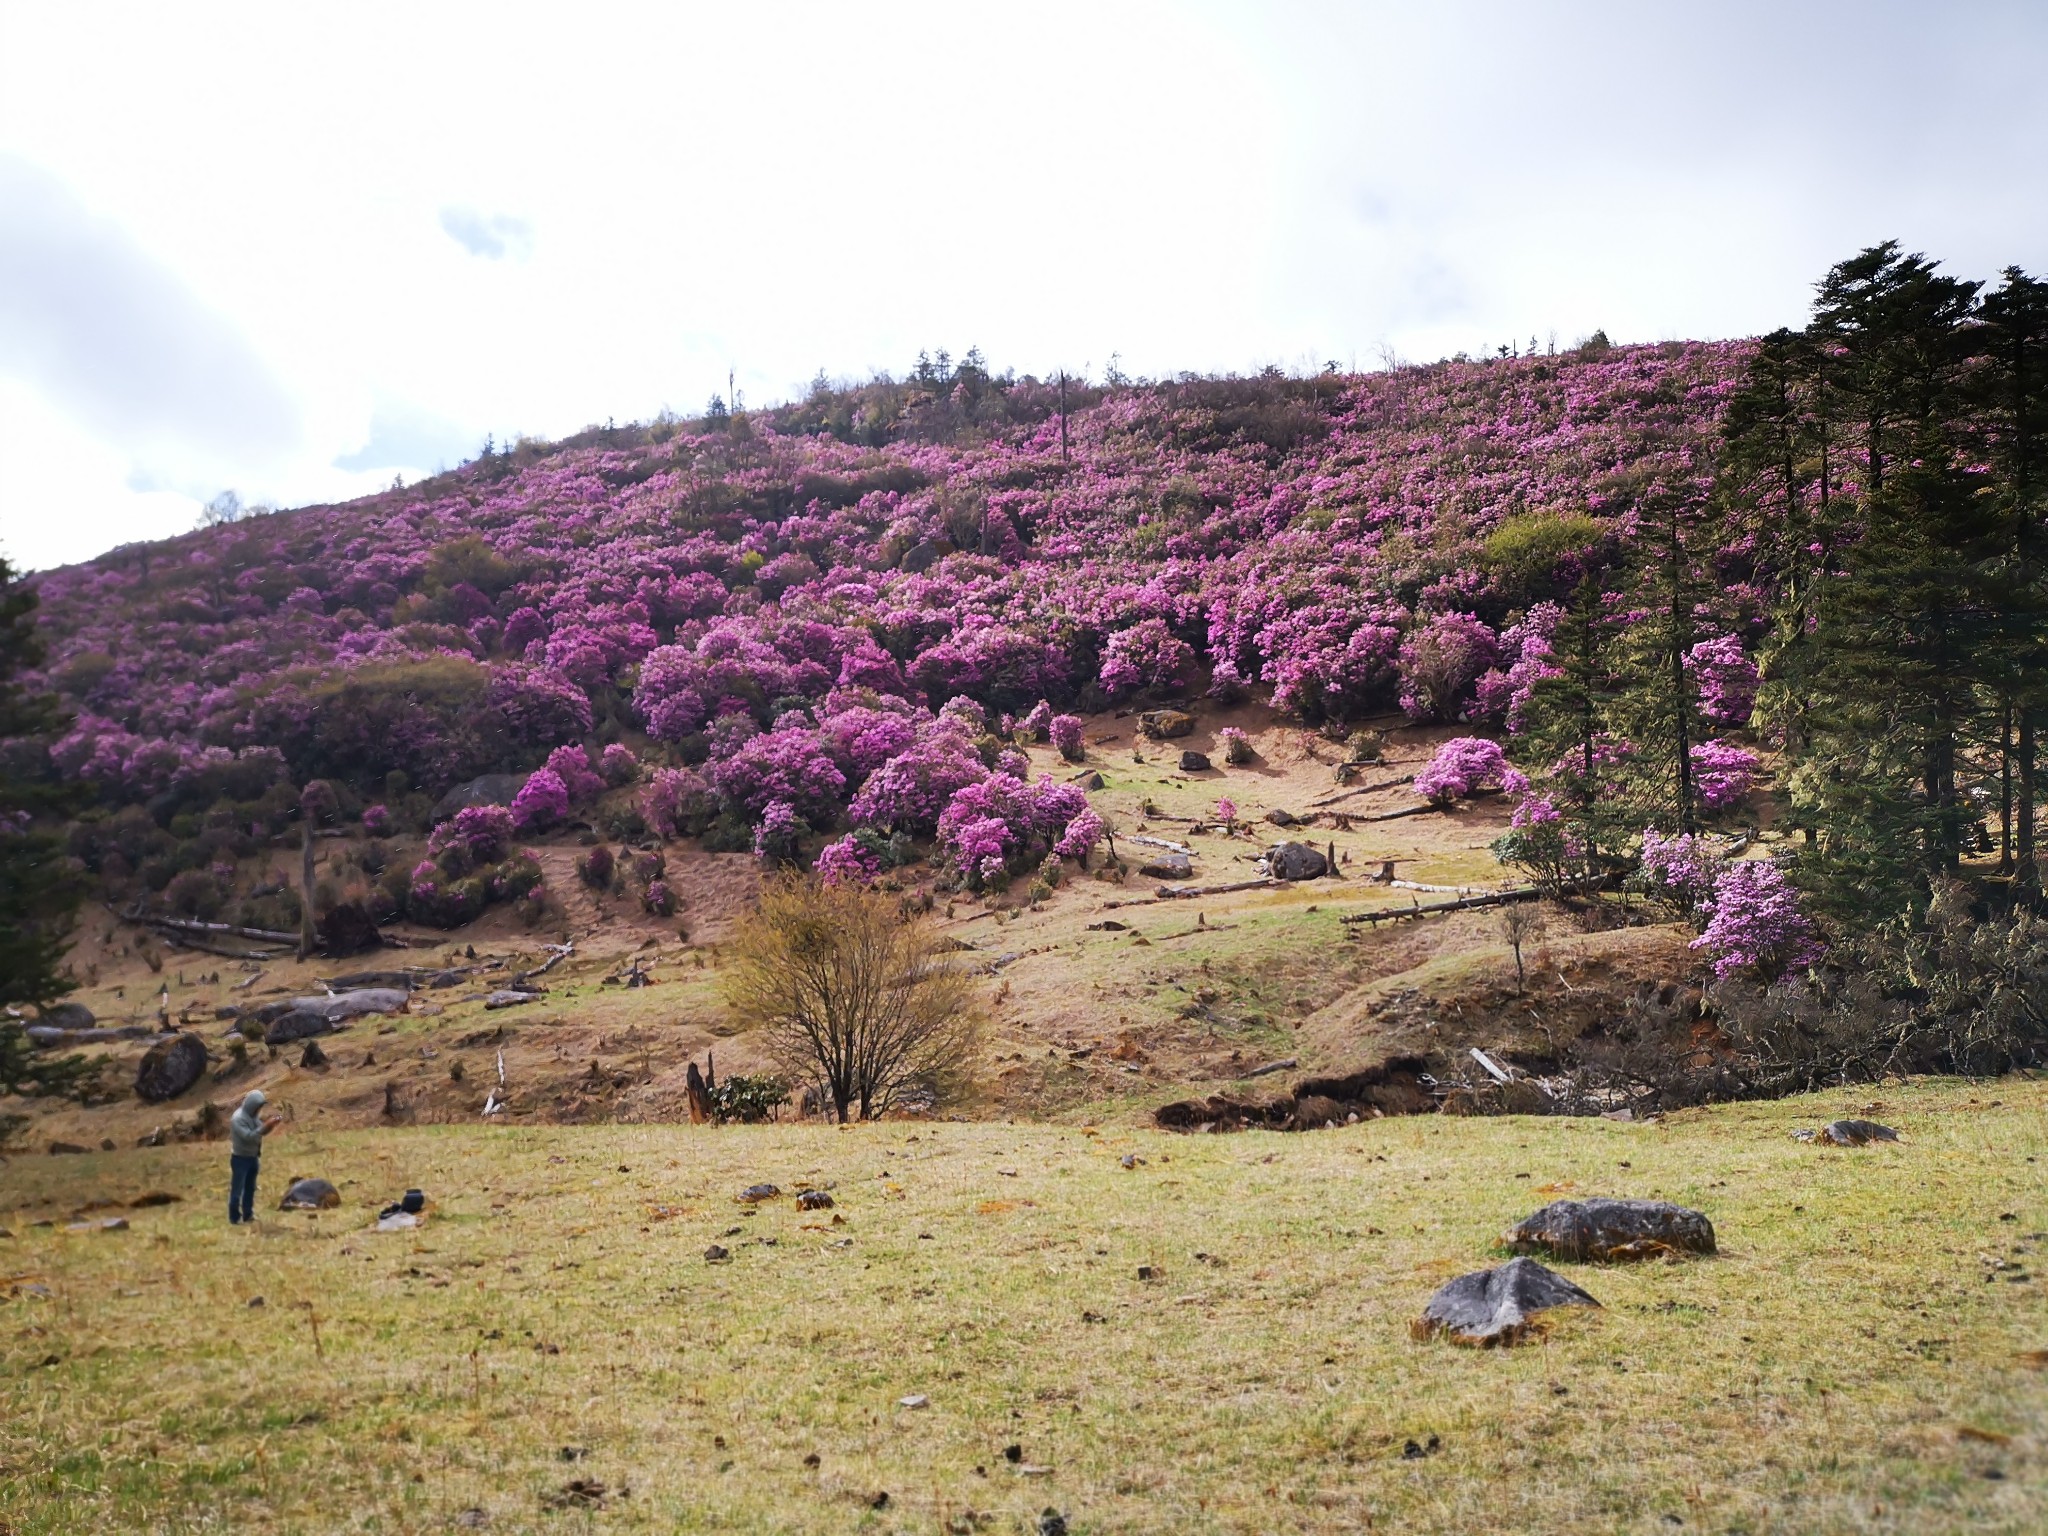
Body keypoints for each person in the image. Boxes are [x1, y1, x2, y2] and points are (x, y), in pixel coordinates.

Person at [227, 1089, 281, 1225]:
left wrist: (271, 1125)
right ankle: (234, 1217)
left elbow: (260, 1131)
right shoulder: (238, 1119)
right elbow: (249, 1136)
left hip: (253, 1157)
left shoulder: (253, 1117)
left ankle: (248, 1214)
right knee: (237, 1190)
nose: (259, 1110)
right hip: (240, 1159)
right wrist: (265, 1126)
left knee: (250, 1188)